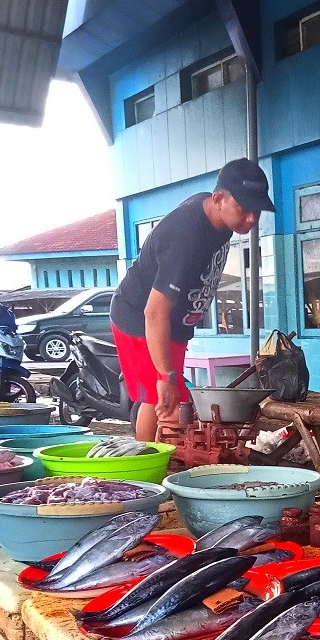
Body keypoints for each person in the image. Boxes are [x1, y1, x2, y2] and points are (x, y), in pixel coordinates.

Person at [110, 158, 276, 441]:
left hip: (174, 324)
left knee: (170, 400)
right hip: (141, 319)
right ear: (218, 199)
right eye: (244, 208)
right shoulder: (186, 239)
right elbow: (154, 312)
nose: (252, 219)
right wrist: (165, 375)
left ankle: (160, 459)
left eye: (257, 210)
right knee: (166, 402)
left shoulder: (217, 216)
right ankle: (146, 462)